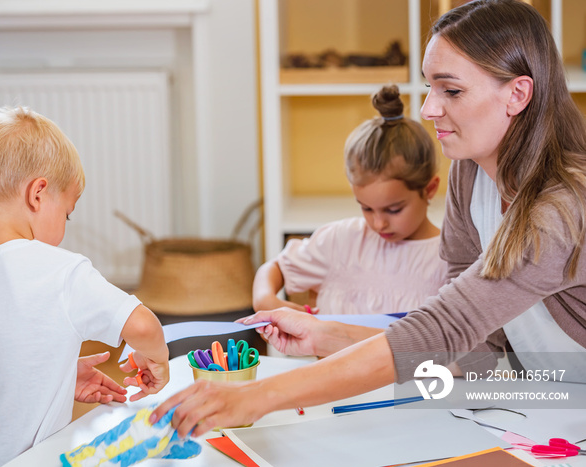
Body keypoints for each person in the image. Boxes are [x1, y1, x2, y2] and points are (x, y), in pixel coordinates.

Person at [151, 0, 586, 438]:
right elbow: (473, 347)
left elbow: (447, 326)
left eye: (451, 91)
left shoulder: (560, 209)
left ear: (518, 94)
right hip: (551, 401)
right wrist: (327, 336)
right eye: (430, 87)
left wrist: (256, 396)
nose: (429, 109)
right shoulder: (471, 173)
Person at [0, 107, 170, 466]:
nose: (66, 224)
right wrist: (158, 361)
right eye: (68, 212)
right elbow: (142, 325)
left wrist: (51, 376)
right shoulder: (62, 272)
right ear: (37, 195)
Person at [252, 84, 446, 315]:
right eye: (366, 208)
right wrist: (265, 300)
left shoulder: (447, 260)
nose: (378, 223)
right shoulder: (338, 242)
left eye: (393, 210)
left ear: (429, 189)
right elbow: (275, 268)